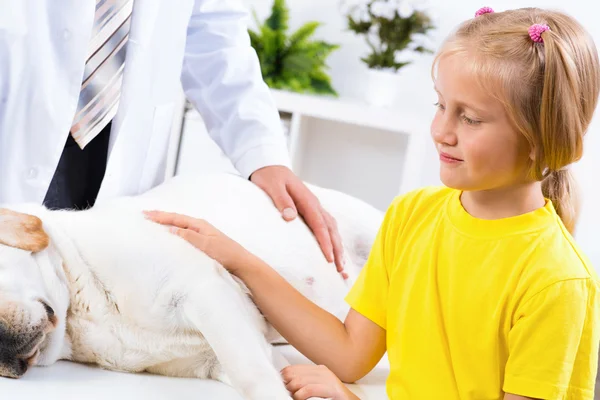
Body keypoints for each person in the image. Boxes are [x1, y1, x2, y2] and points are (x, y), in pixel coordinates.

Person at [145, 6, 600, 400]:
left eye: (471, 118)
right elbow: (348, 353)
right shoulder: (413, 215)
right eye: (441, 105)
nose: (443, 130)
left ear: (543, 140)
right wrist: (239, 260)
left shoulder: (557, 283)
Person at [0, 1, 345, 275]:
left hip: (112, 138)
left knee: (68, 303)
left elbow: (215, 35)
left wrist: (263, 153)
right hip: (16, 114)